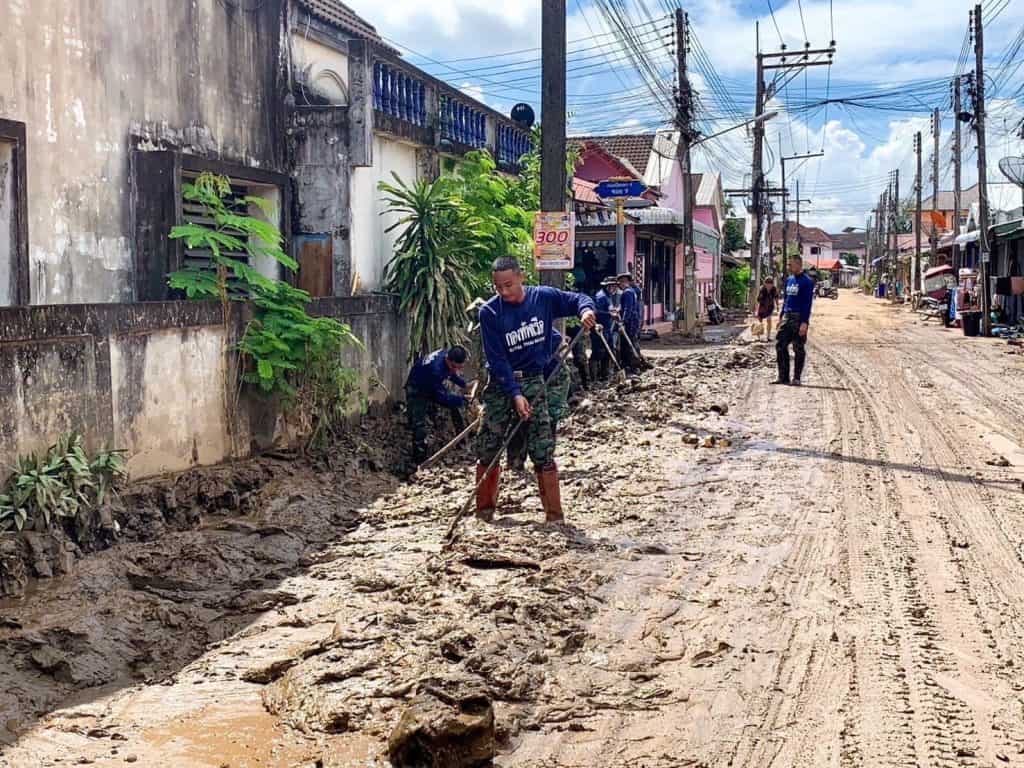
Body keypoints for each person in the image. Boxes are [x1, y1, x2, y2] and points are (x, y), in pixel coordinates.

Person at [476, 257, 596, 523]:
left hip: (534, 380)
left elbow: (578, 300)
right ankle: (484, 511)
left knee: (542, 446)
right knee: (489, 445)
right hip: (501, 383)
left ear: (521, 277)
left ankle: (554, 516)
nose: (504, 292)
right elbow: (497, 360)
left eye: (508, 285)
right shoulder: (490, 313)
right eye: (498, 287)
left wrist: (586, 311)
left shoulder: (543, 298)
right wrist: (514, 393)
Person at [507, 329, 573, 472]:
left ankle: (544, 460)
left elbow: (556, 338)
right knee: (520, 418)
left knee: (548, 418)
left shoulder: (535, 321)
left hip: (553, 377)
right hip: (525, 380)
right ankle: (516, 461)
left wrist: (538, 358)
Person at [405, 346, 471, 462]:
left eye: (459, 368)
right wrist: (462, 400)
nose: (456, 370)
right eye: (454, 367)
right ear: (448, 360)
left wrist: (464, 384)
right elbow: (441, 397)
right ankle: (419, 461)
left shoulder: (446, 355)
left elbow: (451, 374)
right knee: (419, 426)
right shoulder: (435, 369)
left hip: (430, 384)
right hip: (417, 389)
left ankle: (461, 441)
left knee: (455, 406)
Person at [773, 255, 815, 386]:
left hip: (798, 318)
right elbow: (786, 300)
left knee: (798, 348)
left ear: (798, 264)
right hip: (787, 316)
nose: (788, 267)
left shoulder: (807, 281)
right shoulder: (790, 280)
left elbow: (807, 303)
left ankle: (796, 378)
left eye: (790, 265)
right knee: (780, 345)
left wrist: (804, 322)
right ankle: (783, 377)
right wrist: (781, 317)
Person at [591, 277, 620, 382]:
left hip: (608, 329)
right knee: (598, 353)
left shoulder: (608, 296)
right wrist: (610, 314)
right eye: (612, 286)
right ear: (607, 286)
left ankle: (605, 375)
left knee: (610, 351)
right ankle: (594, 378)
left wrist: (614, 312)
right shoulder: (601, 297)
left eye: (615, 286)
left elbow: (609, 309)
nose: (614, 288)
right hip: (599, 329)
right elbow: (596, 312)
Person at [617, 272, 642, 372]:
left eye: (621, 282)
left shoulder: (627, 292)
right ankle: (635, 363)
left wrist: (623, 321)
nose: (619, 285)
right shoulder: (632, 291)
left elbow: (628, 309)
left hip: (630, 322)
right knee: (632, 341)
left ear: (625, 282)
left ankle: (631, 365)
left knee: (628, 343)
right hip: (634, 320)